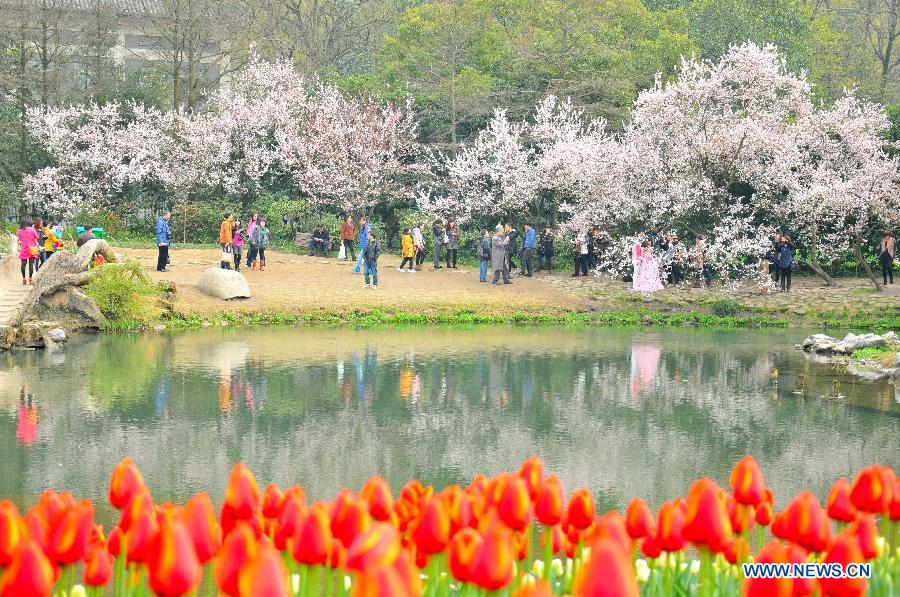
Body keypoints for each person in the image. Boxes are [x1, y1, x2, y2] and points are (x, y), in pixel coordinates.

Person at [17, 218, 39, 285]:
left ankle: (24, 278)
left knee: (23, 264)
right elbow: (37, 237)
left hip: (23, 249)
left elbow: (20, 239)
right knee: (31, 264)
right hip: (31, 249)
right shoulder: (31, 229)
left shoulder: (19, 231)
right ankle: (30, 278)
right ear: (26, 223)